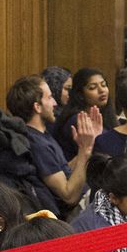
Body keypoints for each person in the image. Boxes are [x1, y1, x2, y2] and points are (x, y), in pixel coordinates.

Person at [7, 75, 100, 217]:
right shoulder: (36, 143)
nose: (55, 103)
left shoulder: (42, 135)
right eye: (49, 98)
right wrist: (84, 151)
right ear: (37, 107)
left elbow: (63, 170)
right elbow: (69, 195)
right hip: (71, 214)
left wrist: (87, 144)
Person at [53, 68, 118, 161]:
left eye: (104, 85)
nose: (101, 90)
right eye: (92, 87)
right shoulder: (78, 120)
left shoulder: (104, 114)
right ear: (80, 95)